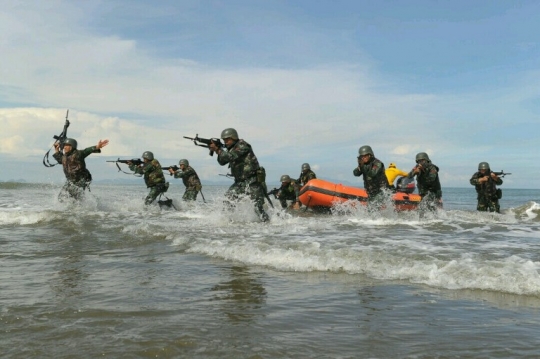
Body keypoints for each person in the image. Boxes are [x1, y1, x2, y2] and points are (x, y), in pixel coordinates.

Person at [208, 128, 269, 222]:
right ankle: (230, 223)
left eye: (228, 139)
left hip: (252, 181)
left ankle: (268, 225)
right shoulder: (230, 149)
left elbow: (230, 156)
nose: (226, 142)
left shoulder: (242, 145)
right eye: (224, 140)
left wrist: (219, 149)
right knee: (228, 201)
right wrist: (217, 151)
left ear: (234, 137)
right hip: (239, 182)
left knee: (258, 207)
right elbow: (222, 161)